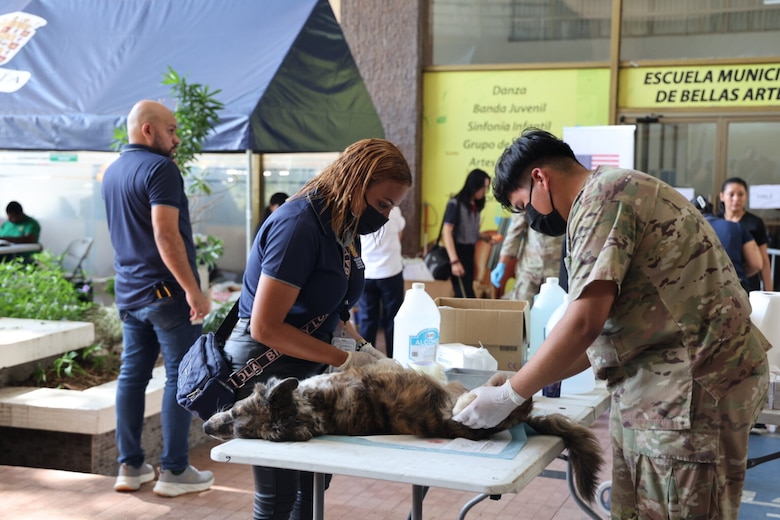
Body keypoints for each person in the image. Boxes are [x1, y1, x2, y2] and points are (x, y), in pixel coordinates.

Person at [454, 129, 770, 519]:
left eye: (524, 206)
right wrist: (519, 376)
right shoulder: (609, 193)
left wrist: (511, 395)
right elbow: (598, 335)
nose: (531, 219)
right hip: (663, 389)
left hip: (691, 393)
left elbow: (584, 322)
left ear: (540, 178)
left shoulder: (604, 198)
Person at [223, 138, 412, 520]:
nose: (387, 216)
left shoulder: (344, 225)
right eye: (382, 204)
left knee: (313, 485)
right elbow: (266, 327)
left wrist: (369, 354)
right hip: (269, 368)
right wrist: (344, 359)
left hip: (309, 363)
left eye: (392, 207)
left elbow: (333, 310)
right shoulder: (297, 226)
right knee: (279, 493)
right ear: (356, 181)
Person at [101, 100, 214, 496]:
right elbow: (165, 235)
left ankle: (130, 467)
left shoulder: (112, 171)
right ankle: (174, 471)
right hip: (166, 297)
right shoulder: (160, 169)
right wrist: (192, 289)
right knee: (180, 379)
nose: (177, 138)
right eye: (171, 130)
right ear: (148, 130)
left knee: (132, 376)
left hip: (129, 295)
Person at [441, 168, 501, 298]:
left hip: (469, 252)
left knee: (468, 290)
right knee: (463, 293)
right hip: (458, 252)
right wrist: (454, 261)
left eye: (486, 188)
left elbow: (469, 231)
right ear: (474, 185)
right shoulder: (455, 204)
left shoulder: (475, 205)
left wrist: (485, 237)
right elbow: (447, 232)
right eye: (483, 187)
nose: (485, 191)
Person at [356, 206, 405, 357]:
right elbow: (399, 234)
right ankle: (393, 359)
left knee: (367, 320)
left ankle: (367, 361)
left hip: (367, 273)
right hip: (391, 272)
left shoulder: (360, 212)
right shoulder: (394, 211)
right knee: (393, 319)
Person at [490, 211, 563, 304]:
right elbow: (515, 232)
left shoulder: (564, 199)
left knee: (556, 312)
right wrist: (502, 263)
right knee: (521, 310)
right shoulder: (527, 199)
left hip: (557, 271)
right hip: (529, 269)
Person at [695, 195, 762, 292]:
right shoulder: (736, 227)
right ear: (712, 210)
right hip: (735, 288)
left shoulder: (689, 231)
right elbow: (756, 264)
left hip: (701, 289)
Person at [718, 177, 773, 291]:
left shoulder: (755, 223)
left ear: (746, 196)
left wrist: (769, 292)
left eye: (741, 194)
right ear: (722, 196)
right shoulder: (715, 222)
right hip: (720, 282)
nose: (736, 198)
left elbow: (764, 260)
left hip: (748, 284)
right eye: (731, 194)